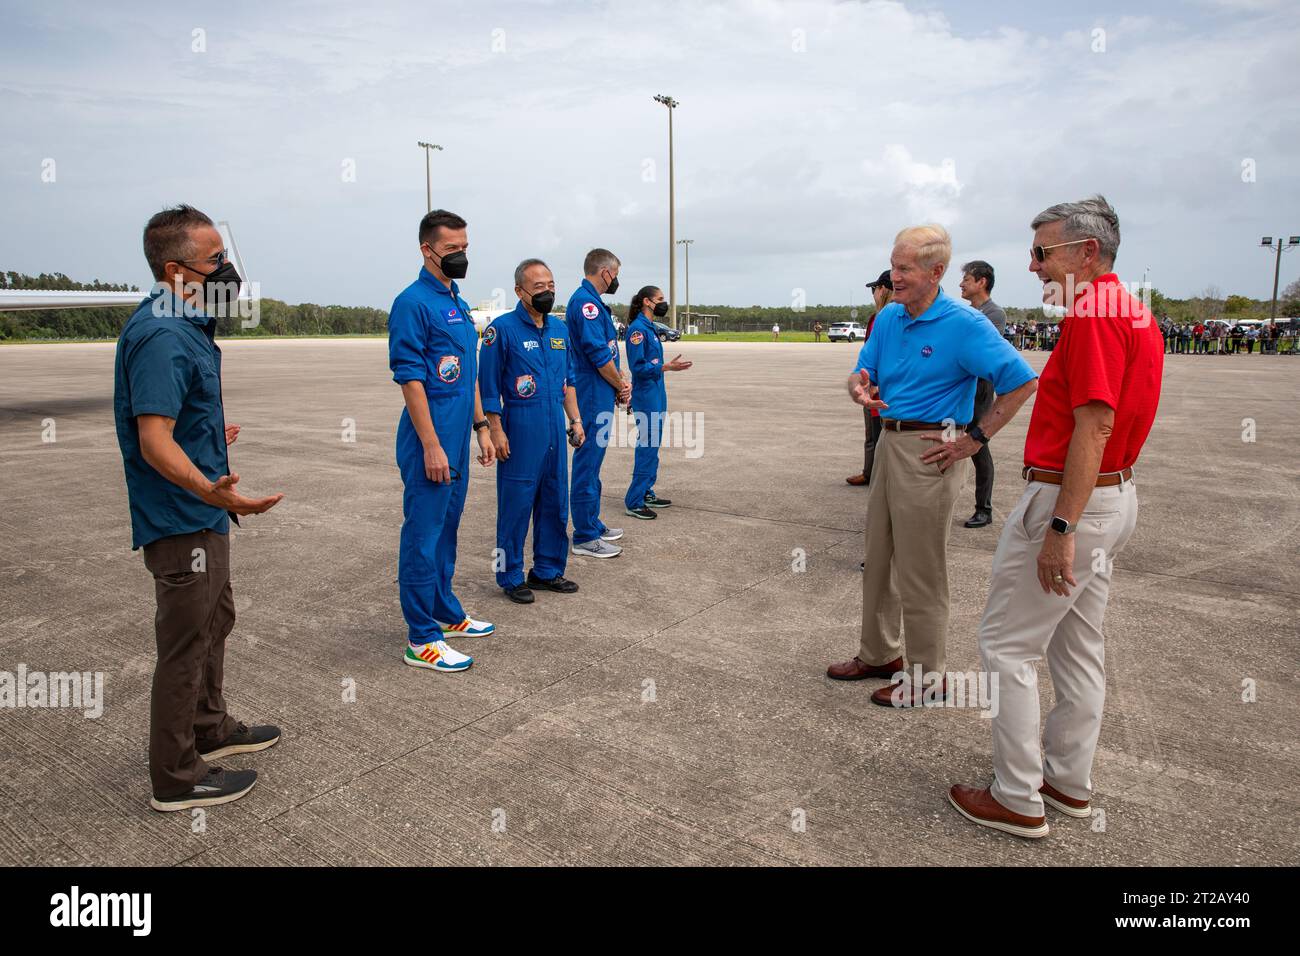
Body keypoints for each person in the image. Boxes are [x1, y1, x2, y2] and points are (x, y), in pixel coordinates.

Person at [948, 195, 1164, 839]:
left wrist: (1061, 529)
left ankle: (1017, 796)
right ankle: (1067, 780)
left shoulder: (1095, 314)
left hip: (1072, 501)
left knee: (1006, 645)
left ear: (1086, 252)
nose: (1033, 265)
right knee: (1078, 645)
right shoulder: (1132, 310)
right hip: (1114, 497)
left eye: (1042, 252)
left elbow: (1094, 425)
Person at [115, 204, 284, 812]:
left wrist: (211, 432)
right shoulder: (163, 335)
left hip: (202, 513)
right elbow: (153, 441)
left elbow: (175, 422)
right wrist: (211, 489)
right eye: (215, 260)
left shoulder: (186, 325)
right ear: (175, 270)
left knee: (216, 620)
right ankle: (176, 777)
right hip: (181, 516)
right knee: (185, 644)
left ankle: (209, 727)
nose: (227, 270)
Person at [826, 224, 1038, 707]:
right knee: (879, 557)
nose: (894, 277)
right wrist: (858, 387)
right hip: (889, 440)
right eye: (893, 266)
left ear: (936, 271)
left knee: (920, 568)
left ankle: (926, 677)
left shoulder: (964, 324)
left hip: (931, 448)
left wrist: (974, 439)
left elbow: (1022, 381)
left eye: (904, 269)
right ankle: (879, 653)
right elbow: (862, 372)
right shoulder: (890, 318)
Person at [388, 209, 497, 674]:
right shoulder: (412, 303)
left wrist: (481, 427)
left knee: (447, 529)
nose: (461, 255)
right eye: (452, 249)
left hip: (457, 439)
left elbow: (468, 373)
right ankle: (421, 638)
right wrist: (431, 444)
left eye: (465, 247)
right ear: (427, 250)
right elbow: (411, 379)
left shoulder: (457, 302)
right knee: (423, 534)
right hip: (428, 441)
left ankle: (445, 612)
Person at [479, 259, 584, 604]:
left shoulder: (559, 330)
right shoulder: (502, 330)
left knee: (555, 501)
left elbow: (568, 381)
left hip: (554, 427)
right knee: (516, 505)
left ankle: (547, 570)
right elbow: (488, 386)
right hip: (520, 427)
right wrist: (495, 430)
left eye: (551, 285)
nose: (547, 292)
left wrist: (575, 421)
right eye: (539, 287)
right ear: (519, 291)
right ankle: (509, 576)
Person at [568, 248, 630, 558]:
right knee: (587, 464)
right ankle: (584, 536)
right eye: (615, 274)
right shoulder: (586, 304)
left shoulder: (593, 302)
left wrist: (618, 383)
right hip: (591, 393)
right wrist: (620, 384)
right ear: (605, 272)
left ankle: (591, 522)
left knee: (594, 464)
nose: (616, 280)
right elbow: (598, 355)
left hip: (600, 391)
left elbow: (608, 352)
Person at [623, 286, 693, 520]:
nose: (664, 303)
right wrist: (665, 367)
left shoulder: (650, 328)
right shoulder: (637, 330)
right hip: (646, 396)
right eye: (660, 299)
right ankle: (634, 501)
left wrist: (664, 368)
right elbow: (637, 367)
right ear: (647, 301)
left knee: (653, 446)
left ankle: (646, 491)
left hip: (656, 393)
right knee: (647, 446)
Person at [958, 260, 1008, 529]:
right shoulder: (966, 312)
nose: (961, 284)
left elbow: (982, 351)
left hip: (979, 391)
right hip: (959, 388)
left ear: (981, 282)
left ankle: (984, 509)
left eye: (967, 279)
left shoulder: (994, 314)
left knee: (978, 446)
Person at [846, 270, 892, 486]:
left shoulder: (886, 319)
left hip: (882, 390)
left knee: (880, 434)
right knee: (873, 434)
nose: (873, 293)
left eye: (874, 288)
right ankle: (870, 472)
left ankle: (878, 475)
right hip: (871, 385)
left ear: (883, 289)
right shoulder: (878, 318)